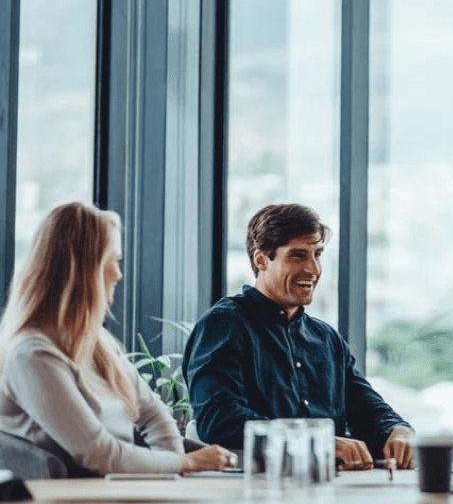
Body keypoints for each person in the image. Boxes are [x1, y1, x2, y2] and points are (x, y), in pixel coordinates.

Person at [0, 202, 235, 475]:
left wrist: (172, 471)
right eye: (114, 260)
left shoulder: (97, 341)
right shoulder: (32, 356)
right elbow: (99, 454)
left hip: (112, 493)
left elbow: (153, 413)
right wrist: (186, 462)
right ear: (86, 269)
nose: (119, 273)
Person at [184, 203, 413, 470]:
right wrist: (318, 442)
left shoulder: (326, 339)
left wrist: (397, 430)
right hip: (253, 495)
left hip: (332, 492)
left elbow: (367, 408)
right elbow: (220, 420)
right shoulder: (223, 325)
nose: (313, 269)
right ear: (261, 260)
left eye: (317, 254)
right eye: (298, 256)